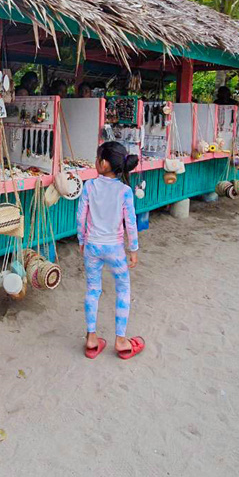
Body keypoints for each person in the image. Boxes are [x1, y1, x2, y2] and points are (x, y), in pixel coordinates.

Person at [76, 141, 145, 360]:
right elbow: (130, 222)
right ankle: (121, 340)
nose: (95, 162)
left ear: (104, 163)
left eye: (97, 158)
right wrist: (133, 248)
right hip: (115, 249)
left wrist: (81, 240)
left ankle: (91, 339)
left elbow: (80, 217)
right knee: (123, 289)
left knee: (93, 289)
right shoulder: (125, 191)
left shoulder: (89, 186)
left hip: (92, 246)